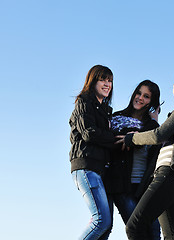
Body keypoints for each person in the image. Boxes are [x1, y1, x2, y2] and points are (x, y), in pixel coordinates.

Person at [116, 72, 174, 240]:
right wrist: (154, 122)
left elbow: (158, 135)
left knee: (134, 227)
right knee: (173, 236)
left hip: (169, 176)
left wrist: (131, 138)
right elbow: (161, 136)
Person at [104, 80, 162, 239]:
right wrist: (133, 138)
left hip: (144, 187)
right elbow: (113, 143)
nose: (140, 98)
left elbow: (157, 146)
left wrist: (154, 120)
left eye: (146, 96)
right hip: (123, 185)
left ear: (153, 102)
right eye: (139, 93)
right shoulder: (117, 118)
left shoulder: (152, 126)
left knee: (155, 231)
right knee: (138, 232)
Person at [69, 65, 116, 240]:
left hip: (100, 170)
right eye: (103, 79)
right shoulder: (84, 102)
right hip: (86, 166)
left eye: (110, 80)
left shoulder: (105, 111)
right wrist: (115, 138)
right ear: (92, 81)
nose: (107, 84)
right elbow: (89, 133)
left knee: (106, 227)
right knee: (101, 221)